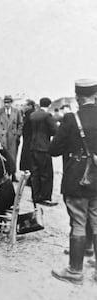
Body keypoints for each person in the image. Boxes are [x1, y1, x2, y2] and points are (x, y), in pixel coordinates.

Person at [50, 79, 97, 285]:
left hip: (77, 178)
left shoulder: (71, 118)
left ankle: (75, 271)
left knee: (78, 221)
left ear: (78, 97)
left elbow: (53, 150)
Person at [29, 97, 58, 206]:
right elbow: (55, 130)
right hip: (44, 147)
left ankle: (35, 196)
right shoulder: (47, 116)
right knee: (46, 173)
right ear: (49, 105)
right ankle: (45, 197)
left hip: (33, 146)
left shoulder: (33, 115)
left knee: (35, 173)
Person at [0, 95, 23, 182]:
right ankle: (3, 175)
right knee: (2, 156)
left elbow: (20, 124)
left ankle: (13, 174)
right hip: (2, 137)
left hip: (13, 138)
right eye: (5, 102)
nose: (6, 104)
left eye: (8, 102)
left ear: (11, 103)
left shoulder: (16, 111)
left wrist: (17, 134)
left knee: (13, 157)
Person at [19, 100, 36, 178]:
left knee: (28, 157)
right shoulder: (30, 114)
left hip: (29, 139)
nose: (23, 107)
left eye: (25, 105)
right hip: (29, 138)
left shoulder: (29, 114)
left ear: (30, 106)